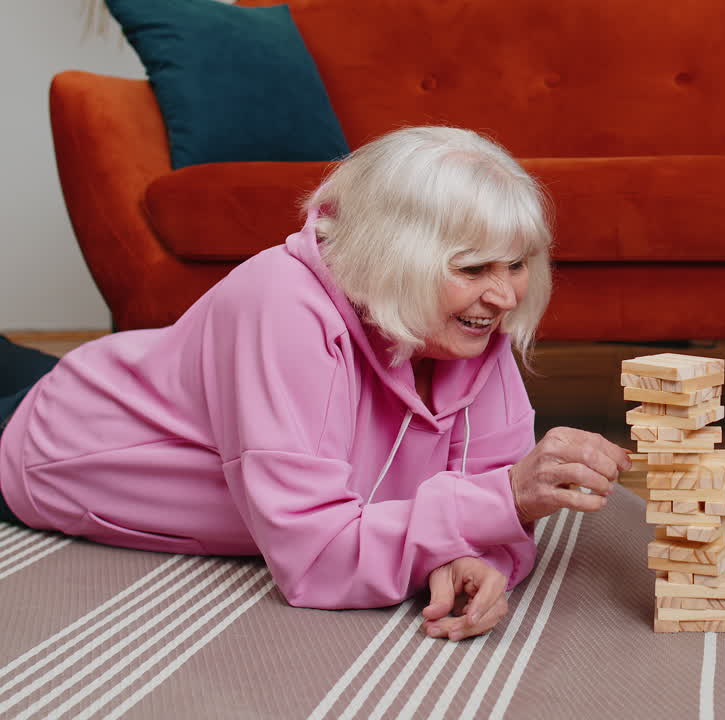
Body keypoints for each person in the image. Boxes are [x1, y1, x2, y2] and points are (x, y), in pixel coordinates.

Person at [0, 126, 631, 642]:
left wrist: (471, 559)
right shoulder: (282, 302)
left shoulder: (464, 325)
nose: (504, 296)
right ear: (392, 256)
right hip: (50, 441)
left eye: (516, 264)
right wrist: (510, 497)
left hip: (116, 377)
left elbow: (483, 499)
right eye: (472, 268)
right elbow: (316, 557)